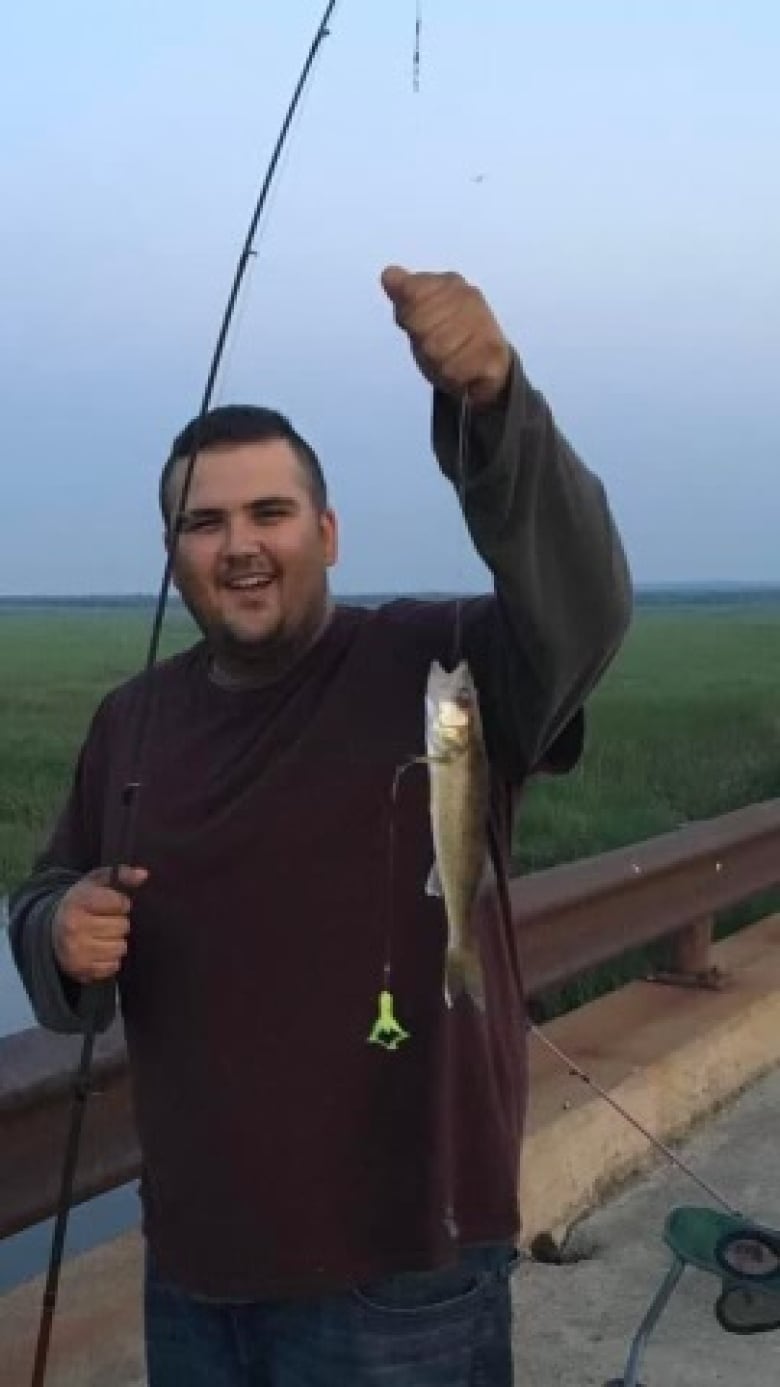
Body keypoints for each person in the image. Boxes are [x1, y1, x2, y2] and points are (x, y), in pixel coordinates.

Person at [10, 264, 632, 1386]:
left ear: (329, 531)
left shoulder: (441, 662)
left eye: (270, 513)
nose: (239, 544)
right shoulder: (131, 720)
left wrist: (496, 405)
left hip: (406, 1271)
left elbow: (585, 607)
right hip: (195, 1266)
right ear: (173, 555)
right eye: (204, 522)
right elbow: (46, 892)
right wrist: (59, 929)